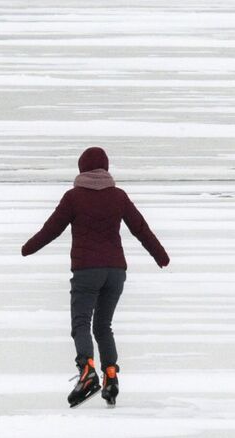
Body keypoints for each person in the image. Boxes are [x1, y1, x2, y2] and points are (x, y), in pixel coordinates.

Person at [21, 146, 169, 408]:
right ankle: (110, 377)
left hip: (86, 271)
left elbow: (51, 229)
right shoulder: (118, 196)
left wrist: (28, 248)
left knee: (81, 322)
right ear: (106, 168)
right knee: (103, 326)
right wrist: (161, 256)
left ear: (81, 168)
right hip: (115, 273)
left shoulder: (73, 197)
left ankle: (87, 372)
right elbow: (141, 228)